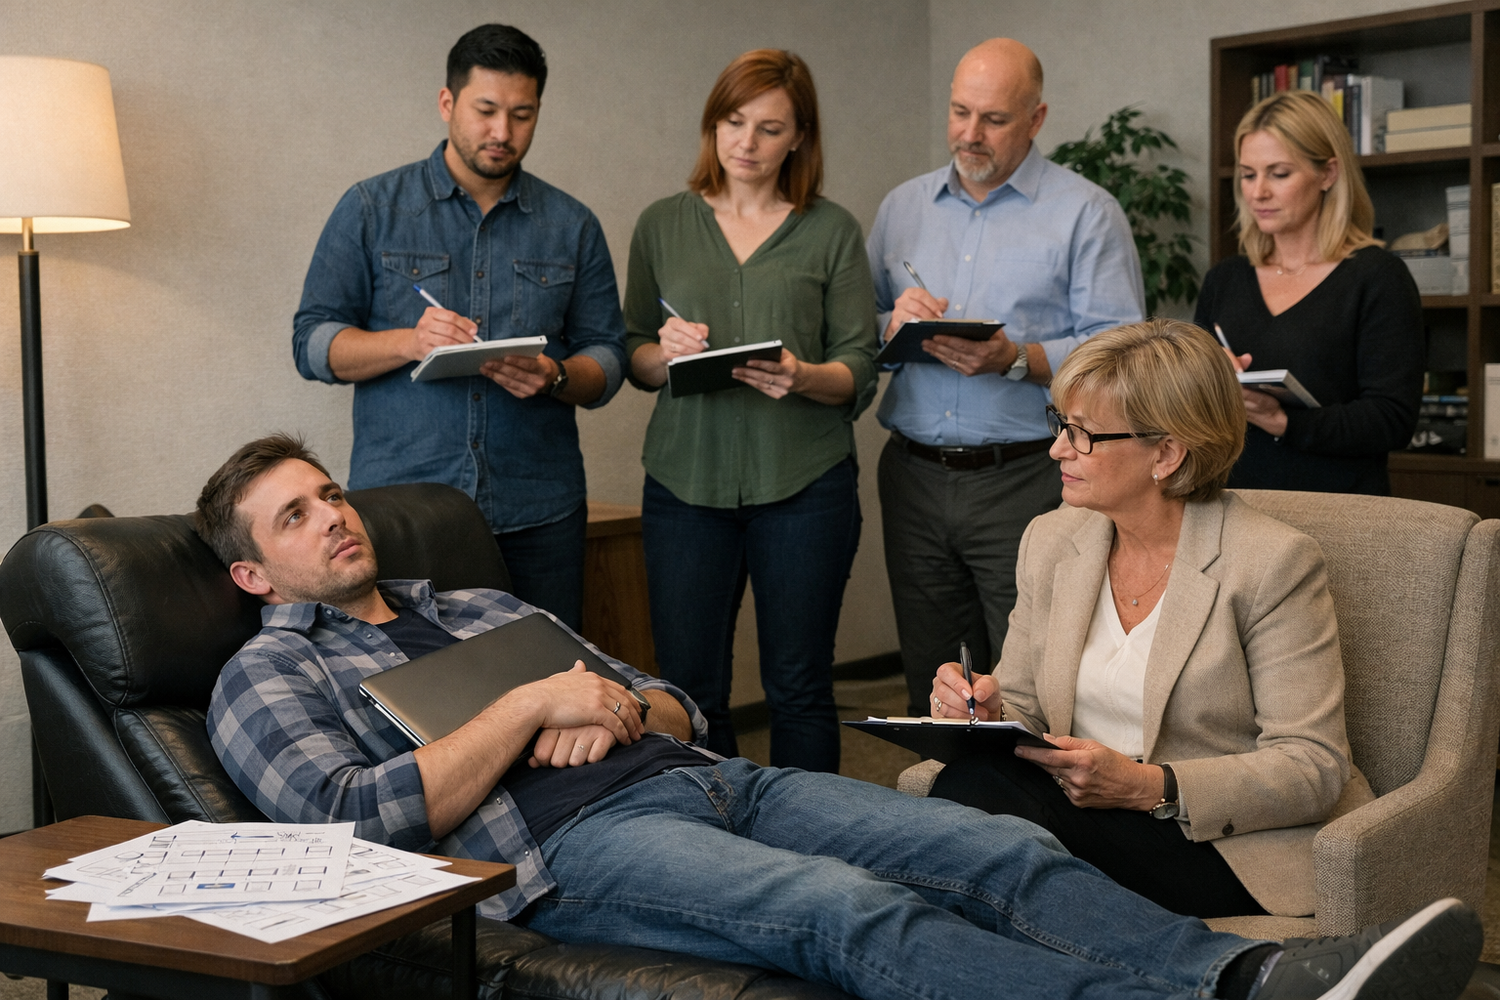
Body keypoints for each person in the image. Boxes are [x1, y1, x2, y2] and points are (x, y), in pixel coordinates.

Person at [197, 433, 1479, 1000]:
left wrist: (618, 701)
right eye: (296, 518)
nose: (336, 517)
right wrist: (538, 703)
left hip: (704, 774)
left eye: (330, 493)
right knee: (847, 913)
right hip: (562, 855)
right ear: (254, 571)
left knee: (997, 846)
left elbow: (676, 696)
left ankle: (1250, 973)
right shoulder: (268, 677)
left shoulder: (473, 599)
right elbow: (356, 825)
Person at [927, 319, 1376, 921]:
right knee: (970, 788)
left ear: (1166, 453)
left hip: (1212, 841)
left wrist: (1147, 785)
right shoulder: (1052, 539)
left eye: (1083, 435)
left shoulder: (1271, 563)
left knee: (975, 807)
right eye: (1060, 425)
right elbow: (1025, 706)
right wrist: (981, 709)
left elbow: (1313, 765)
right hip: (1080, 813)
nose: (1058, 448)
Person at [291, 24, 628, 630]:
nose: (503, 132)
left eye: (522, 115)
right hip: (404, 511)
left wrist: (556, 375)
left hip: (539, 510)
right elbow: (313, 344)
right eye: (486, 110)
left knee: (552, 677)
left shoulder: (572, 224)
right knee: (424, 690)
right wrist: (409, 341)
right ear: (448, 104)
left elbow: (609, 356)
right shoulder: (372, 208)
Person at [866, 38, 1146, 716]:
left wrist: (1016, 358)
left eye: (992, 119)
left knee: (1032, 680)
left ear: (1036, 118)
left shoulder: (1087, 213)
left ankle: (1031, 819)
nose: (969, 133)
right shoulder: (902, 208)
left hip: (1027, 477)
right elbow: (856, 328)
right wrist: (891, 321)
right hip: (915, 476)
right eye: (959, 112)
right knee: (933, 679)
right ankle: (941, 815)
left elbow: (1119, 354)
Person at [622, 50, 878, 770]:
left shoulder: (830, 231)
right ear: (713, 124)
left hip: (804, 485)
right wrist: (662, 353)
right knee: (690, 690)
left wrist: (800, 374)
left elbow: (860, 367)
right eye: (733, 122)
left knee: (798, 685)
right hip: (684, 486)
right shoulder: (661, 225)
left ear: (799, 137)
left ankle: (808, 843)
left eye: (770, 128)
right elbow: (633, 352)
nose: (747, 143)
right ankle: (722, 847)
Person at [1194, 89, 1423, 495]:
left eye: (1278, 174)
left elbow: (1392, 419)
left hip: (1339, 510)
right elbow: (1188, 413)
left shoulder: (1377, 277)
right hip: (1234, 504)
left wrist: (1283, 422)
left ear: (1328, 174)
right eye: (1248, 175)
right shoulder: (1225, 279)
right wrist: (1206, 379)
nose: (1258, 192)